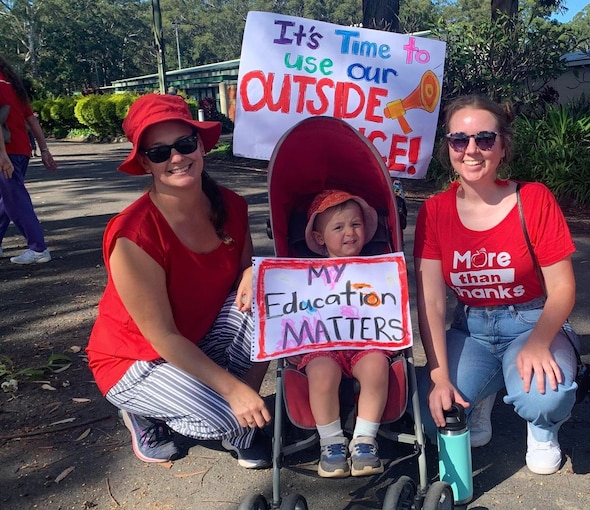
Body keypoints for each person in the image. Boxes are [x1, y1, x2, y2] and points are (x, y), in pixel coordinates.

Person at [86, 93, 272, 469]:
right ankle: (142, 412)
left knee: (270, 300)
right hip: (134, 360)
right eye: (159, 153)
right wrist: (231, 390)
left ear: (200, 145)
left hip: (199, 336)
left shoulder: (232, 206)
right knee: (222, 418)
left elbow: (244, 270)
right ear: (145, 163)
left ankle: (240, 415)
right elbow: (163, 337)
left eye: (185, 145)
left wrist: (254, 271)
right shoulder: (134, 235)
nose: (176, 158)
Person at [414, 94, 579, 475]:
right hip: (471, 327)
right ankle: (483, 399)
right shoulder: (435, 211)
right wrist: (439, 377)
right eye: (460, 140)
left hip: (532, 320)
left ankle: (542, 428)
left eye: (485, 139)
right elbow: (432, 303)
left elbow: (564, 289)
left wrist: (539, 343)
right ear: (449, 148)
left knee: (544, 397)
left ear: (503, 147)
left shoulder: (533, 199)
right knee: (430, 411)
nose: (472, 150)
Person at [290, 189, 390, 478]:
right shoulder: (305, 273)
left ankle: (364, 440)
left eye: (356, 224)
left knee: (376, 367)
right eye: (339, 227)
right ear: (320, 238)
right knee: (321, 372)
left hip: (366, 341)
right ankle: (332, 442)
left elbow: (388, 306)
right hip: (323, 345)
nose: (350, 232)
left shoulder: (378, 270)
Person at [0, 56, 57, 264]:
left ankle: (38, 247)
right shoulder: (13, 84)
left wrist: (2, 155)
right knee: (7, 197)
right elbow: (31, 119)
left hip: (5, 151)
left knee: (15, 199)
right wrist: (44, 149)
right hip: (21, 150)